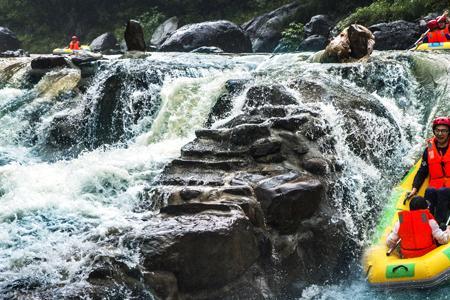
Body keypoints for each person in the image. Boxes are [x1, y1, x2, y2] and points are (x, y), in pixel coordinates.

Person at [408, 117, 450, 228]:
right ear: (434, 131)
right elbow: (422, 171)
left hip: (447, 190)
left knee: (443, 191)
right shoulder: (428, 150)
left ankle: (441, 224)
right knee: (430, 191)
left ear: (448, 132)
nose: (440, 134)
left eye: (444, 131)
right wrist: (414, 189)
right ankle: (427, 223)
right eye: (437, 130)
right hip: (436, 188)